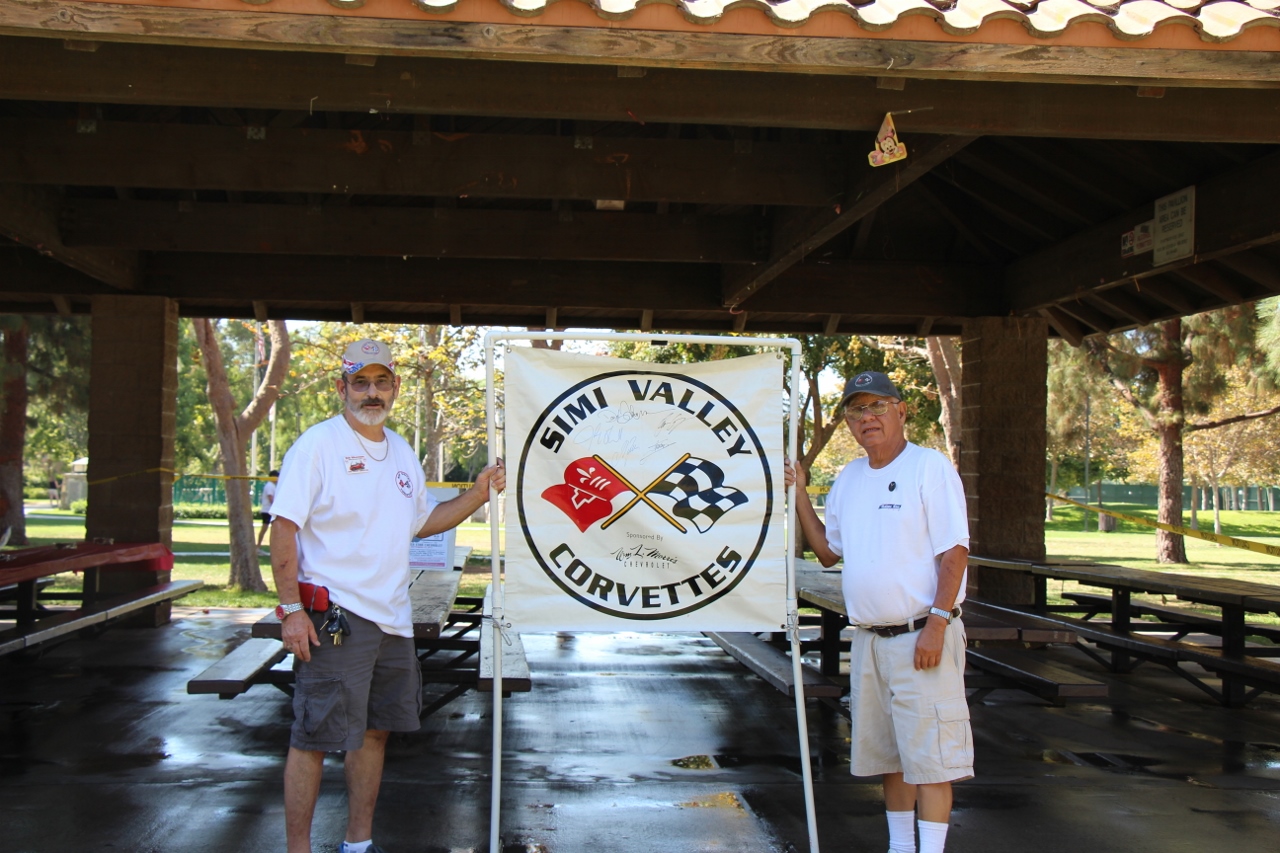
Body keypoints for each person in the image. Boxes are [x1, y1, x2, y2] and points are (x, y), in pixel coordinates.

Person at [269, 338, 505, 853]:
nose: (371, 393)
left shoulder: (400, 450)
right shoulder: (317, 446)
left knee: (375, 733)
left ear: (395, 386)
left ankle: (358, 844)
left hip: (393, 620)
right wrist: (290, 610)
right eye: (360, 382)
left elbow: (423, 523)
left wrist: (477, 491)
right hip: (336, 618)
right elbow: (283, 531)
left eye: (381, 382)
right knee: (315, 737)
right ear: (342, 388)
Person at [785, 370, 970, 853]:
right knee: (889, 758)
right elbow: (828, 551)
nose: (867, 418)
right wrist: (800, 491)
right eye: (856, 410)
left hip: (921, 637)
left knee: (930, 759)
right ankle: (900, 847)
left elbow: (954, 552)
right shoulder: (849, 478)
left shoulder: (929, 468)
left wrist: (937, 622)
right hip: (869, 640)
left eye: (877, 406)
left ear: (901, 409)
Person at [256, 469, 278, 550]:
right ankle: (258, 546)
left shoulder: (272, 486)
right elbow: (270, 497)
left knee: (273, 530)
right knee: (264, 529)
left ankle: (271, 547)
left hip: (269, 511)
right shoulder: (269, 486)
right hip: (267, 511)